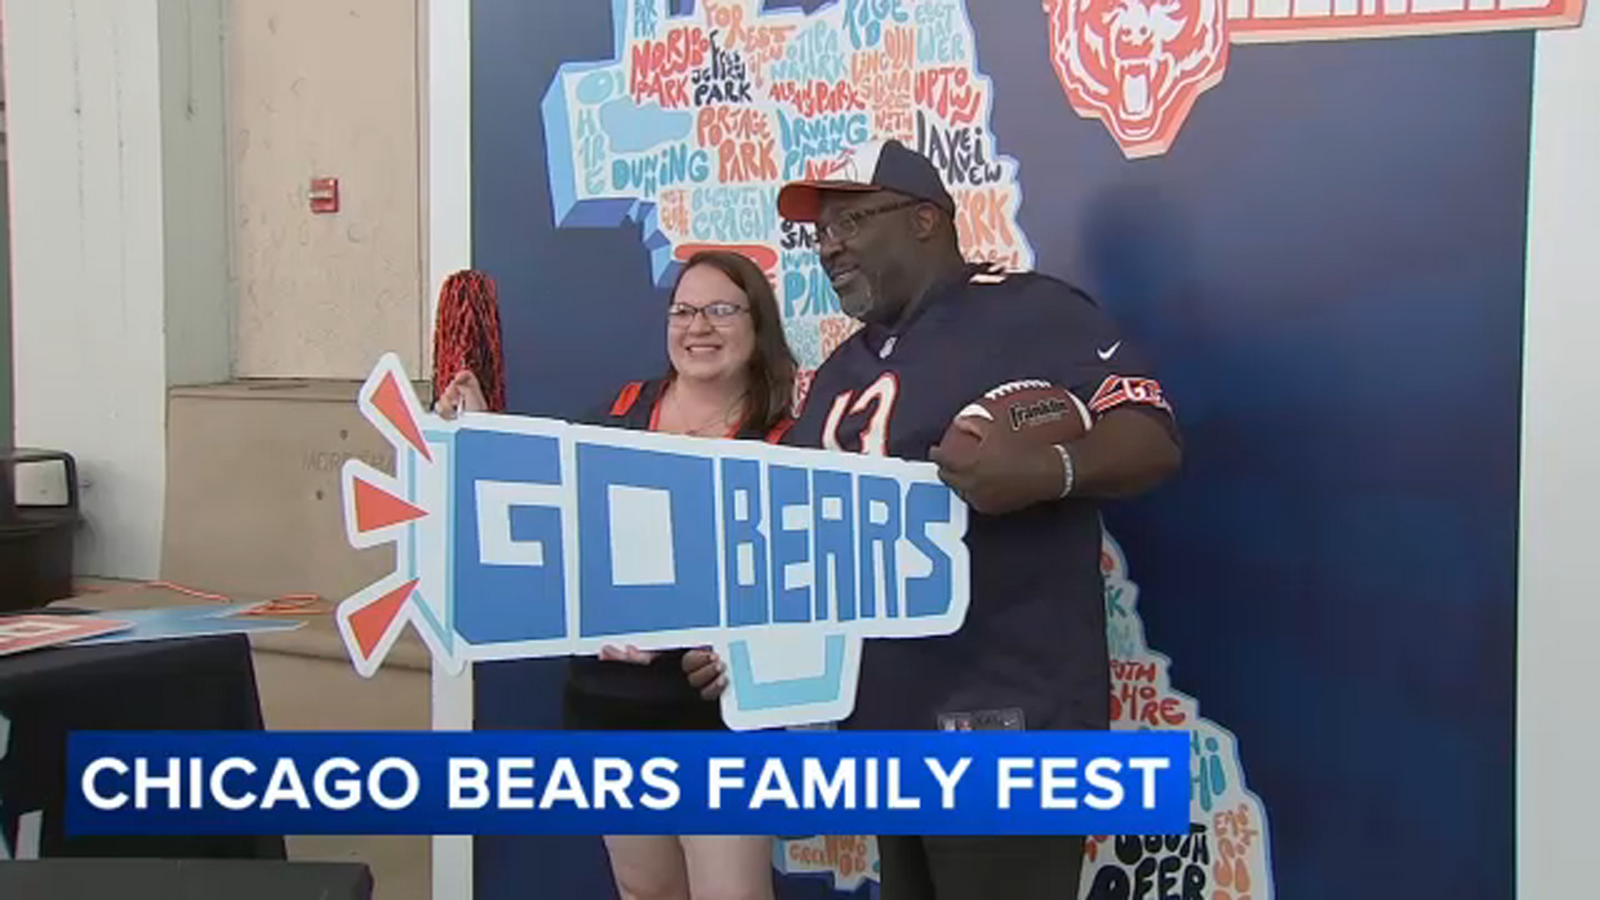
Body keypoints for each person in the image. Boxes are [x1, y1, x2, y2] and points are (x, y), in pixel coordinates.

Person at [684, 140, 1183, 899]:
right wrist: (746, 649)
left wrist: (1050, 469)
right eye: (819, 232)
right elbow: (812, 545)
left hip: (1008, 727)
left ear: (925, 220)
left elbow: (1151, 432)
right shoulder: (843, 374)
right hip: (887, 731)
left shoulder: (1031, 312)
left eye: (851, 220)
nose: (830, 245)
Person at [435, 248, 795, 900]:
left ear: (756, 323)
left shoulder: (789, 442)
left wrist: (750, 648)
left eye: (721, 310)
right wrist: (481, 431)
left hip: (717, 720)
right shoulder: (620, 415)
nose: (699, 328)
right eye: (683, 311)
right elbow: (549, 519)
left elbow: (807, 586)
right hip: (611, 705)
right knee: (645, 893)